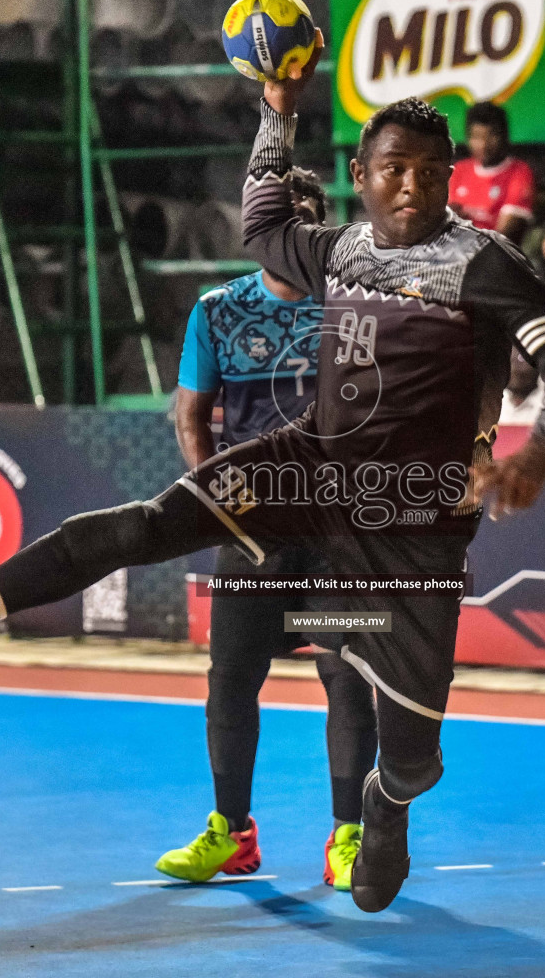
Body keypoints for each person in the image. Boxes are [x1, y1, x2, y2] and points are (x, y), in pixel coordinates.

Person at [0, 36, 545, 916]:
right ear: (362, 174)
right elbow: (260, 226)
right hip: (308, 467)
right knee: (142, 525)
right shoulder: (339, 250)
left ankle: (383, 805)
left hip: (410, 519)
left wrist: (535, 451)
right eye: (396, 169)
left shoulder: (485, 263)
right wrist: (277, 111)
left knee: (413, 757)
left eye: (433, 172)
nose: (414, 186)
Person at [164, 169, 377, 892]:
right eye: (282, 222)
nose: (294, 237)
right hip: (251, 532)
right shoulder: (216, 311)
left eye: (307, 223)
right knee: (230, 682)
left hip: (338, 535)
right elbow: (192, 417)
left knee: (349, 678)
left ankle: (349, 837)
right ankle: (232, 834)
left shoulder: (356, 311)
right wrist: (219, 506)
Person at [448, 101, 535, 246]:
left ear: (505, 136)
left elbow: (501, 237)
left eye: (491, 136)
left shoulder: (519, 172)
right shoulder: (459, 170)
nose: (483, 145)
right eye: (476, 137)